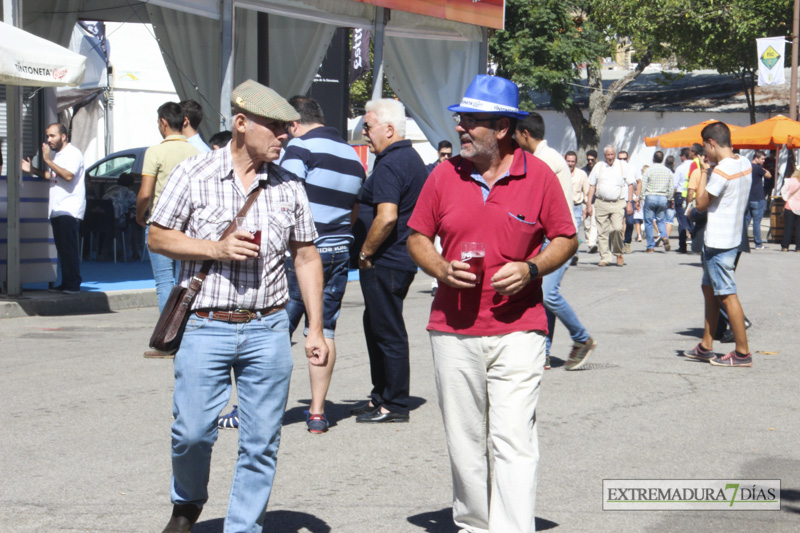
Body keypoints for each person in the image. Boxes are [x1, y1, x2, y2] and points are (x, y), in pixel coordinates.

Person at [148, 79, 328, 533]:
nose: (284, 136)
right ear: (241, 124)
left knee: (261, 442)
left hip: (268, 328)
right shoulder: (195, 174)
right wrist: (215, 248)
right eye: (275, 127)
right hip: (206, 325)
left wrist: (315, 329)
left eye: (288, 128)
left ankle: (243, 527)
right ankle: (187, 501)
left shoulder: (289, 186)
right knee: (191, 434)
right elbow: (157, 235)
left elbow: (306, 256)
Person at [407, 74, 577, 533]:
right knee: (464, 441)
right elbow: (417, 237)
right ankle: (474, 525)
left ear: (501, 128)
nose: (460, 128)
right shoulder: (444, 174)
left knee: (513, 438)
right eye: (460, 120)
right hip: (452, 330)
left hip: (520, 328)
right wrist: (440, 268)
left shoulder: (538, 174)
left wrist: (532, 269)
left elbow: (566, 237)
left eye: (471, 122)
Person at [278, 95, 366, 433]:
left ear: (294, 124)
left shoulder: (299, 149)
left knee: (274, 332)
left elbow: (285, 198)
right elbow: (354, 210)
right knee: (324, 329)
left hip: (301, 254)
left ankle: (254, 410)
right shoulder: (353, 157)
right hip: (339, 251)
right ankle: (317, 412)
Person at [350, 98, 427, 424]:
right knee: (377, 326)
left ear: (389, 129)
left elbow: (386, 217)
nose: (365, 133)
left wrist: (366, 252)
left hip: (386, 260)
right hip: (394, 258)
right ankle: (381, 394)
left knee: (387, 330)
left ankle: (394, 403)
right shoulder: (406, 159)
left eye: (368, 127)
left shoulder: (393, 162)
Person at [515, 113, 595, 370]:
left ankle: (582, 339)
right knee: (543, 293)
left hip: (558, 238)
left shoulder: (544, 161)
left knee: (548, 294)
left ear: (525, 134)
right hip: (551, 237)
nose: (515, 140)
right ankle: (545, 353)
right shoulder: (546, 157)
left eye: (516, 135)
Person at [683, 121, 752, 367]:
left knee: (726, 295)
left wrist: (703, 171)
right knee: (710, 291)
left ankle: (742, 353)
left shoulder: (722, 170)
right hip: (732, 237)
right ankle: (705, 346)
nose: (704, 153)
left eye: (705, 147)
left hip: (719, 241)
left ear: (711, 143)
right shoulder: (743, 163)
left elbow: (700, 203)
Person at [136, 102, 200, 359]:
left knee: (165, 281)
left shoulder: (155, 152)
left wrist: (141, 216)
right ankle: (188, 336)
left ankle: (168, 339)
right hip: (189, 227)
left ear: (163, 122)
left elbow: (145, 193)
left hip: (161, 225)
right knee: (187, 281)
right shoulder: (195, 152)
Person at [21, 123, 85, 294]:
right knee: (62, 248)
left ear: (63, 136)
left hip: (69, 209)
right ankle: (66, 282)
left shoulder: (73, 153)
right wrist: (33, 169)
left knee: (68, 247)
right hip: (57, 208)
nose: (49, 140)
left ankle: (73, 283)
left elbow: (69, 176)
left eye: (52, 136)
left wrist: (48, 160)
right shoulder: (58, 156)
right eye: (47, 136)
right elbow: (53, 176)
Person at [586, 145, 635, 266]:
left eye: (612, 154)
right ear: (605, 156)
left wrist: (630, 203)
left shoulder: (623, 166)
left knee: (617, 228)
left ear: (615, 154)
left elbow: (630, 184)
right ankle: (605, 257)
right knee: (602, 232)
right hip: (601, 202)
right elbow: (592, 185)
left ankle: (618, 253)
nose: (610, 157)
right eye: (608, 155)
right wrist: (588, 204)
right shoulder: (599, 166)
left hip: (617, 203)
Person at [639, 151, 674, 253]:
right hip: (663, 197)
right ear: (662, 159)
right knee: (660, 220)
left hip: (651, 197)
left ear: (653, 159)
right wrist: (670, 198)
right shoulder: (668, 171)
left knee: (649, 222)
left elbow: (643, 185)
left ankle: (650, 246)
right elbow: (671, 187)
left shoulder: (648, 170)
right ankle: (664, 236)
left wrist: (641, 197)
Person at [745, 150, 770, 250]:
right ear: (756, 158)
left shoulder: (747, 167)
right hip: (758, 198)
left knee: (746, 221)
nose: (764, 160)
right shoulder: (758, 168)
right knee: (756, 221)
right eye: (762, 159)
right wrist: (763, 168)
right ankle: (758, 243)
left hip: (748, 198)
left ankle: (741, 241)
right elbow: (769, 175)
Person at [673, 148, 694, 253]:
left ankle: (682, 246)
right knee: (692, 219)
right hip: (694, 195)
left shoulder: (680, 168)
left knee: (682, 221)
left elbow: (675, 185)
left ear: (683, 156)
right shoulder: (696, 166)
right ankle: (697, 244)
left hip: (681, 195)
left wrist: (671, 198)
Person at [582, 149, 599, 253]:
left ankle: (592, 243)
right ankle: (589, 242)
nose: (590, 162)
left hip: (596, 200)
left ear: (596, 159)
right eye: (588, 159)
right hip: (585, 200)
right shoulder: (583, 171)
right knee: (587, 224)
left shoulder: (599, 170)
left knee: (594, 223)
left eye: (592, 159)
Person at [780, 169, 800, 252]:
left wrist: (787, 198)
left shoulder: (791, 181)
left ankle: (785, 246)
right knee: (799, 228)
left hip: (790, 205)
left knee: (788, 227)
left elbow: (783, 191)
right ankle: (798, 247)